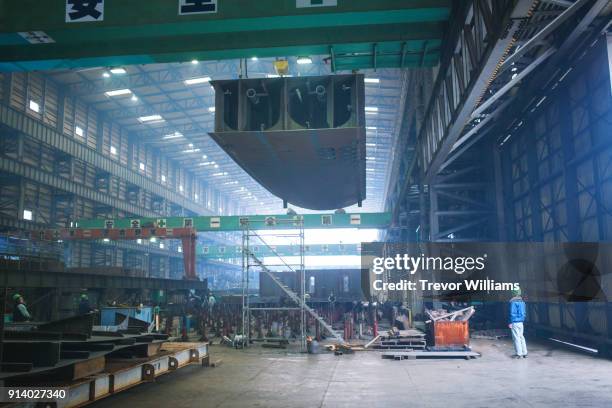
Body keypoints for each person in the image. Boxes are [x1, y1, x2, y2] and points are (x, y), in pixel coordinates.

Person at [509, 287, 528, 358]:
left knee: (516, 338)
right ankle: (524, 353)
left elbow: (512, 313)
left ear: (513, 293)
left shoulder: (513, 302)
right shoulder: (522, 302)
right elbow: (524, 313)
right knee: (521, 337)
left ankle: (519, 354)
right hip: (521, 322)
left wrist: (511, 322)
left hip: (515, 322)